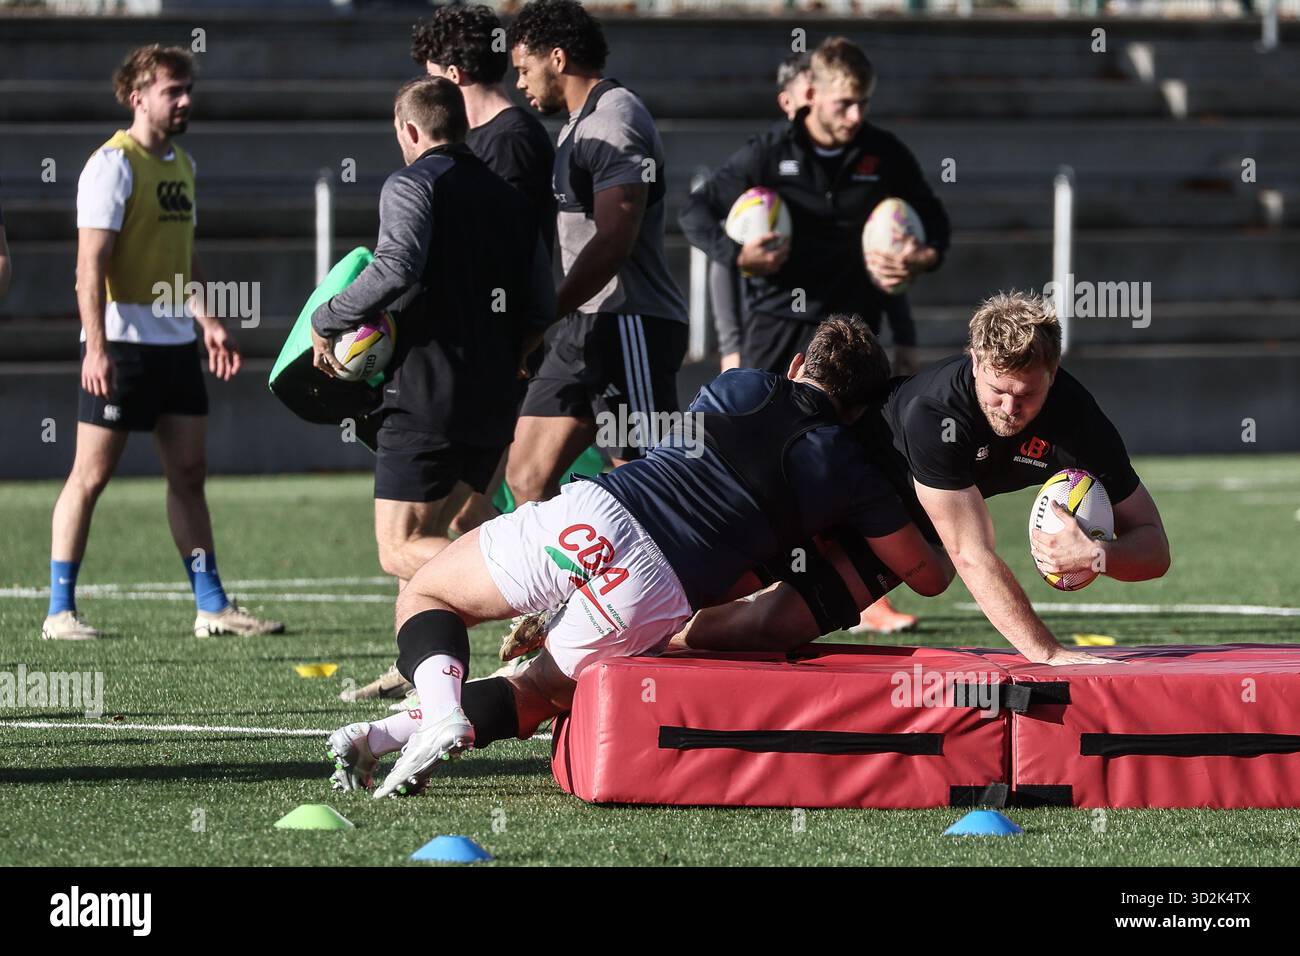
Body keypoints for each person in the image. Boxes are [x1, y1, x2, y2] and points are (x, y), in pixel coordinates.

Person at [323, 316, 953, 797]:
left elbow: (684, 459)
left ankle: (433, 715)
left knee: (429, 593)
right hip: (664, 585)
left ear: (795, 366)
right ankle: (379, 737)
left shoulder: (742, 384)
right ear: (859, 409)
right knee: (544, 692)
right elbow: (921, 574)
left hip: (601, 513)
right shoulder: (847, 469)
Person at [674, 291, 1171, 667]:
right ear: (975, 360)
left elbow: (1154, 545)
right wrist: (1048, 653)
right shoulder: (934, 411)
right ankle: (640, 629)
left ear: (1054, 372)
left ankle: (667, 643)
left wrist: (1097, 555)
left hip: (895, 524)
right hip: (828, 485)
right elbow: (971, 553)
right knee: (711, 584)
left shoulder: (1077, 418)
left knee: (767, 631)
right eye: (999, 390)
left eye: (1028, 395)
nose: (1011, 408)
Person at [309, 78, 555, 661]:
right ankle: (426, 678)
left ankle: (545, 592)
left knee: (400, 549)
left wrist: (329, 316)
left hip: (426, 392)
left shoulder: (411, 182)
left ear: (410, 131)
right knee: (460, 532)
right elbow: (544, 305)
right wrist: (515, 350)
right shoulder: (510, 199)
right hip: (495, 397)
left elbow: (396, 266)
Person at [43, 45, 281, 641]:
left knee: (189, 472)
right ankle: (60, 610)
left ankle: (212, 606)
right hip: (120, 343)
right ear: (137, 97)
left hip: (174, 341)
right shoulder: (111, 165)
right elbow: (88, 267)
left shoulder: (183, 165)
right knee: (90, 477)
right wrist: (95, 348)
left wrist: (209, 319)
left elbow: (184, 257)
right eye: (172, 90)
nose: (184, 100)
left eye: (187, 88)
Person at [505, 0, 689, 504]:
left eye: (524, 69)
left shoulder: (614, 119)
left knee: (648, 482)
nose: (519, 83)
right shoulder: (574, 126)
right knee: (526, 478)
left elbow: (615, 238)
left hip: (629, 322)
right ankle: (563, 585)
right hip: (582, 325)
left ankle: (694, 581)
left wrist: (544, 315)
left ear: (557, 59)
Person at [679, 36, 948, 376]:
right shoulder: (770, 153)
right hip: (778, 329)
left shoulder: (884, 154)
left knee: (855, 431)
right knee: (770, 429)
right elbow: (695, 211)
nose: (855, 116)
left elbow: (935, 220)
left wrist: (924, 257)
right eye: (844, 104)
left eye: (863, 104)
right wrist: (738, 255)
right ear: (811, 95)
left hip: (855, 330)